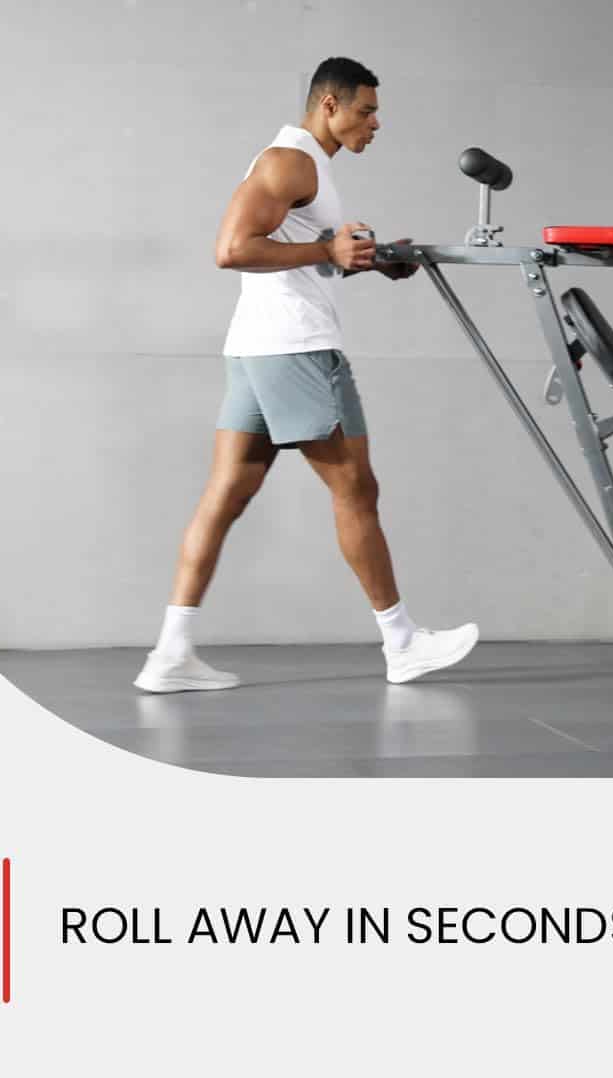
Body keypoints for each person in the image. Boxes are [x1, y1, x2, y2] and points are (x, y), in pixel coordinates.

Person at [135, 57, 479, 694]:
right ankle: (403, 644)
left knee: (225, 496)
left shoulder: (310, 167)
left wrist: (365, 259)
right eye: (366, 111)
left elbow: (296, 255)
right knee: (356, 490)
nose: (375, 123)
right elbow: (232, 249)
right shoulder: (290, 160)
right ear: (329, 104)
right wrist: (327, 249)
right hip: (295, 350)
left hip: (258, 350)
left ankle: (170, 653)